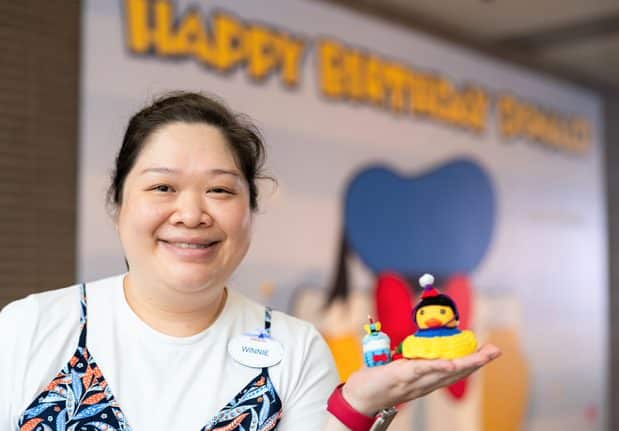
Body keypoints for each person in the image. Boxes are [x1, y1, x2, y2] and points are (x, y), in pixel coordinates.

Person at [0, 92, 500, 431]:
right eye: (162, 187)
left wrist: (358, 408)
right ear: (118, 204)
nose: (192, 213)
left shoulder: (294, 348)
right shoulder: (29, 328)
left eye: (219, 190)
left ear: (250, 213)